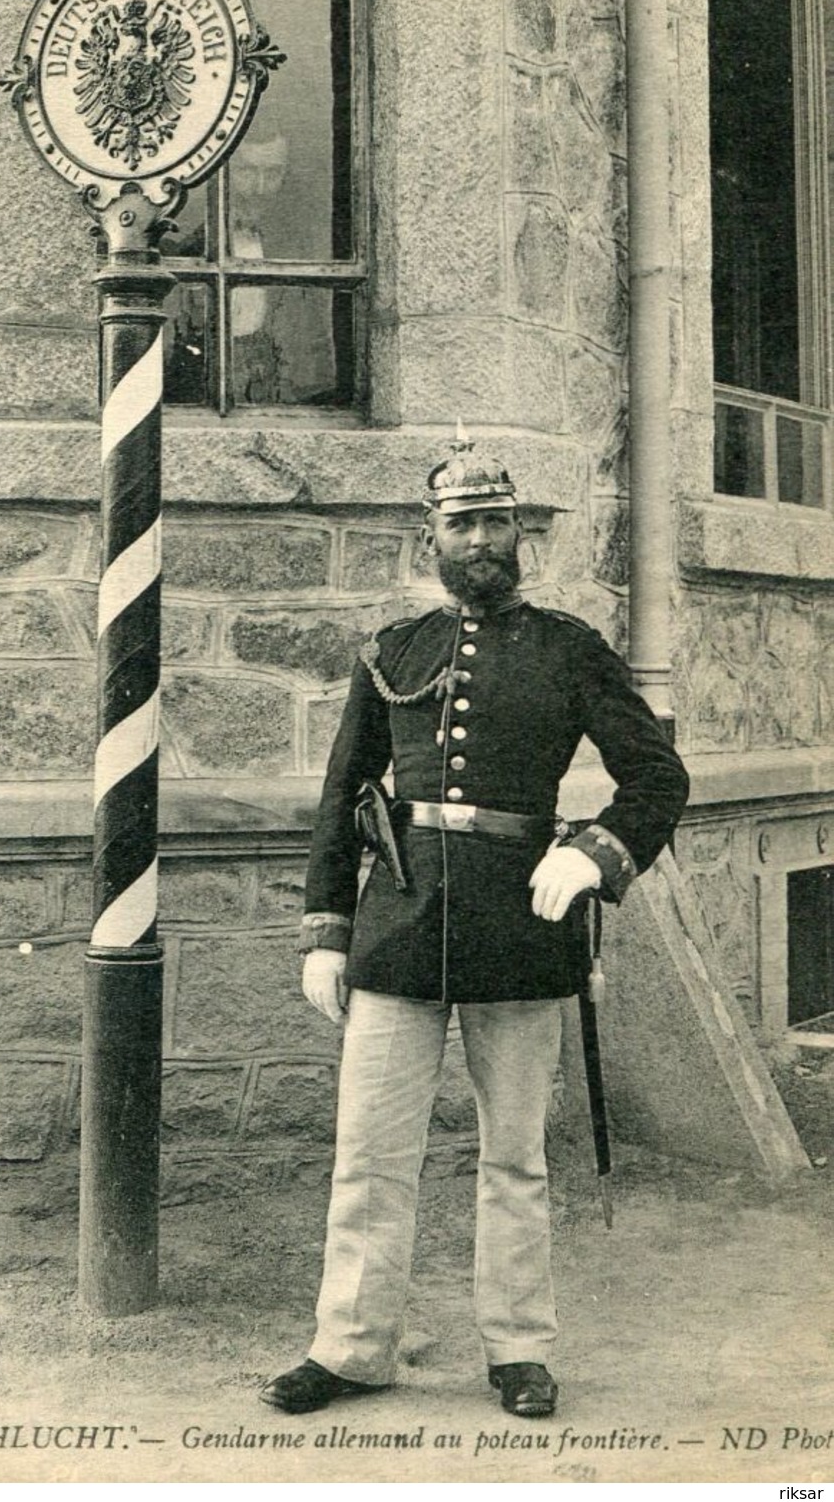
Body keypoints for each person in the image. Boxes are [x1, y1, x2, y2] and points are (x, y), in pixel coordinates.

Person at [260, 431, 690, 1419]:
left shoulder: (570, 650)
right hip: (400, 923)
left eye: (499, 521)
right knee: (369, 1151)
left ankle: (519, 1349)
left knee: (515, 1156)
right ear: (432, 538)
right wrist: (325, 933)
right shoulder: (391, 653)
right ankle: (352, 1346)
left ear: (520, 534)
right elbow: (339, 801)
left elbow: (658, 777)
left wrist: (592, 854)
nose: (484, 540)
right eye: (464, 523)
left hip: (519, 931)